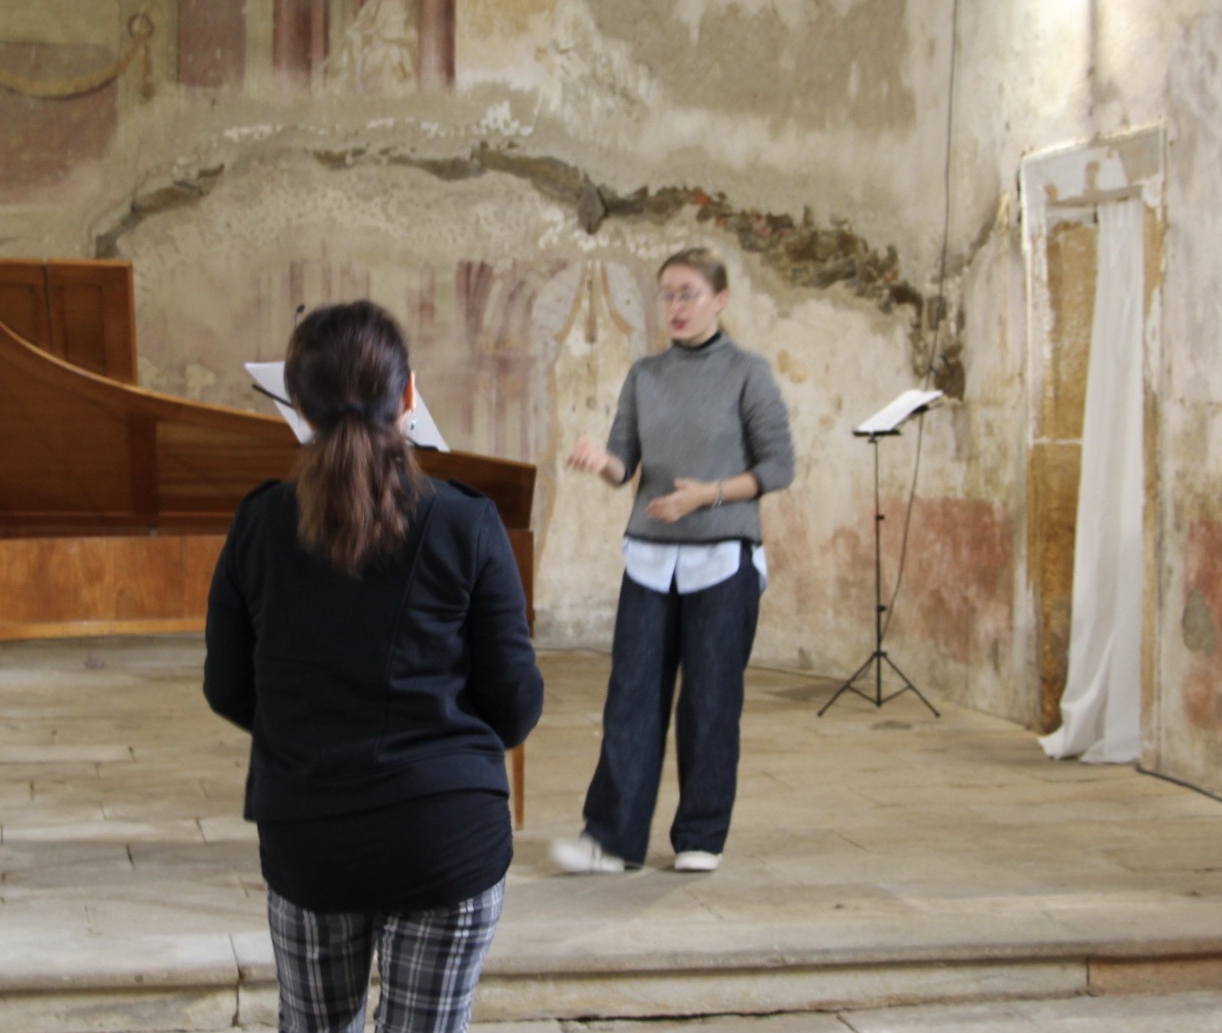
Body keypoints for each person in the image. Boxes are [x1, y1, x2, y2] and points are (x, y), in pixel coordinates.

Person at [205, 302, 544, 1033]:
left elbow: (225, 685)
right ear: (410, 397)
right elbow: (517, 707)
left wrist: (305, 732)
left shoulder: (259, 523)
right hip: (446, 834)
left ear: (296, 408)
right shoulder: (466, 521)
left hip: (309, 833)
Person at [552, 248, 793, 877]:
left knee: (710, 702)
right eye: (667, 295)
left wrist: (705, 495)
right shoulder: (645, 374)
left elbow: (777, 468)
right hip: (651, 560)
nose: (676, 307)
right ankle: (609, 838)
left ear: (720, 299)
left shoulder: (748, 372)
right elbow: (623, 462)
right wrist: (599, 462)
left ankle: (701, 836)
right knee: (630, 698)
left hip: (723, 557)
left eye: (688, 293)